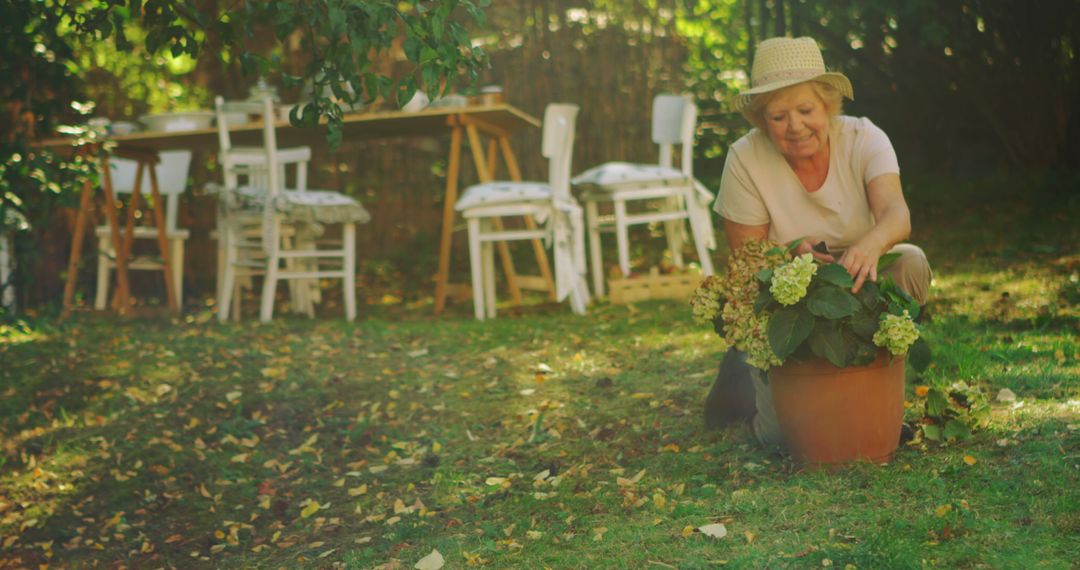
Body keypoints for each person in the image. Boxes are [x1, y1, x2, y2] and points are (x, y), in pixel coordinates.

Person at [704, 36, 932, 446]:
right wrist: (788, 254)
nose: (795, 126)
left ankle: (878, 389)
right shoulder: (744, 159)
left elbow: (898, 216)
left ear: (827, 104)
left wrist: (870, 245)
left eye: (806, 110)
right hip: (787, 300)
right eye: (778, 117)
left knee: (910, 260)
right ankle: (754, 381)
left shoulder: (864, 137)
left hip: (862, 281)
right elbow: (745, 262)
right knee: (782, 439)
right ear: (761, 119)